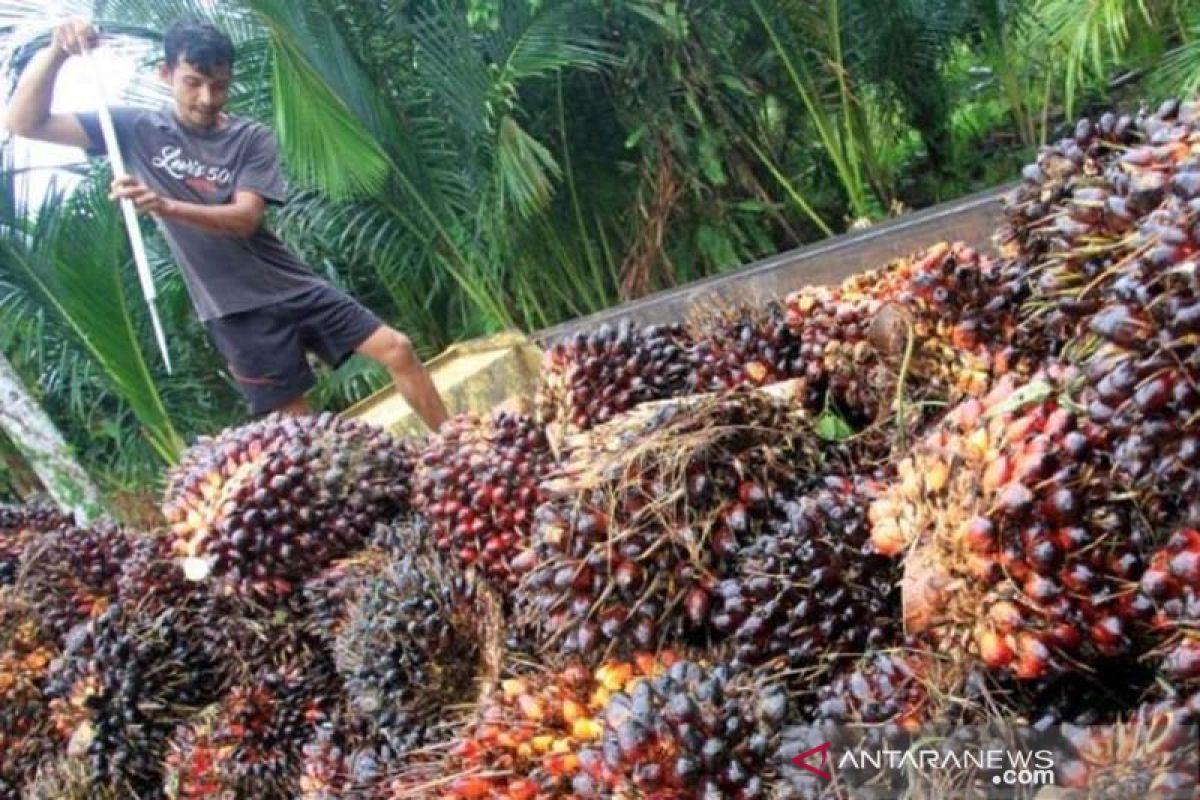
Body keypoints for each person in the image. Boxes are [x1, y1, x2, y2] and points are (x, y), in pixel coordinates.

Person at [5, 18, 450, 430]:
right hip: (233, 309)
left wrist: (164, 205)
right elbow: (24, 123)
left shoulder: (249, 138)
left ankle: (449, 443)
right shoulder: (133, 127)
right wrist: (57, 52)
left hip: (290, 283)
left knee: (399, 349)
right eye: (193, 83)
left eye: (218, 86)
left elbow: (245, 218)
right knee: (297, 426)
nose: (205, 98)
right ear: (166, 74)